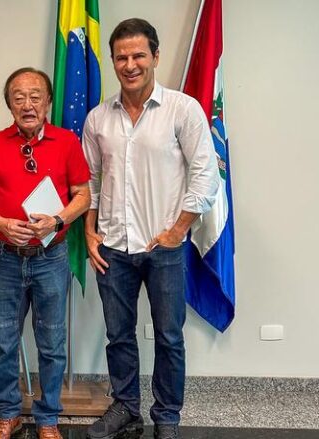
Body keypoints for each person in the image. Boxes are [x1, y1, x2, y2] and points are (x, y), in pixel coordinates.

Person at [82, 18, 220, 439]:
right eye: (121, 57)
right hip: (112, 247)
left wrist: (179, 229)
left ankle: (167, 417)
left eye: (139, 55)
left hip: (164, 248)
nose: (130, 65)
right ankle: (126, 407)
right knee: (118, 336)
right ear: (113, 61)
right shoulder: (98, 118)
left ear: (155, 57)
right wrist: (89, 230)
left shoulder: (183, 109)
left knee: (169, 337)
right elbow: (90, 180)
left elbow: (205, 175)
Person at [0, 67, 91, 439]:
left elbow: (83, 195)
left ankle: (47, 418)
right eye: (18, 97)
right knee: (4, 340)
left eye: (35, 96)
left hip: (51, 259)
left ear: (48, 101)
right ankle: (9, 414)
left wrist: (57, 220)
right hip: (5, 257)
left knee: (51, 342)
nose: (27, 104)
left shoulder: (67, 142)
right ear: (9, 104)